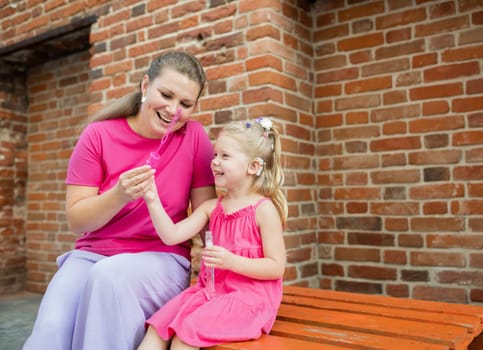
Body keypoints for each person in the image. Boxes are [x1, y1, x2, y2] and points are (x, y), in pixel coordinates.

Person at [23, 51, 217, 350]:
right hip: (91, 256)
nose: (173, 110)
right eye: (166, 95)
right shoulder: (98, 135)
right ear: (144, 86)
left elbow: (206, 218)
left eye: (185, 104)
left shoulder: (193, 138)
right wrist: (119, 195)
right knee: (50, 332)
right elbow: (77, 220)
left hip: (162, 260)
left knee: (110, 278)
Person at [137, 117, 288, 350]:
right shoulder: (211, 207)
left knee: (184, 338)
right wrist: (152, 199)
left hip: (250, 299)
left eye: (225, 156)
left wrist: (231, 261)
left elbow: (276, 267)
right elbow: (172, 235)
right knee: (158, 329)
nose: (215, 162)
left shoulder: (264, 210)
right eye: (215, 155)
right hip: (210, 292)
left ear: (254, 167)